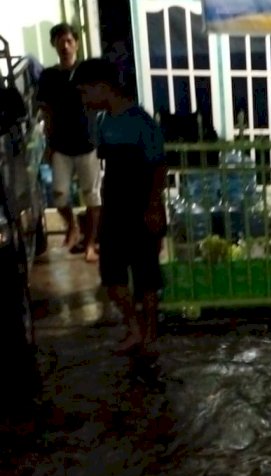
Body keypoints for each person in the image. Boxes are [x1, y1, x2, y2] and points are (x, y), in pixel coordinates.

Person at [72, 58, 167, 354]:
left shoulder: (141, 121)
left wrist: (154, 207)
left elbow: (158, 167)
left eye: (86, 92)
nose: (84, 99)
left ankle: (149, 332)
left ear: (103, 87)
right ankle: (135, 328)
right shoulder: (103, 122)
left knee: (146, 278)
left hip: (140, 207)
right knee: (112, 276)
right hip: (114, 208)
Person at [36, 23, 100, 262]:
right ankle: (72, 227)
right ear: (54, 45)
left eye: (69, 41)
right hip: (61, 145)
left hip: (88, 143)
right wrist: (48, 144)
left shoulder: (88, 71)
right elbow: (46, 112)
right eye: (60, 41)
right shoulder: (48, 76)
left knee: (92, 197)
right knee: (59, 195)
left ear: (77, 43)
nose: (65, 46)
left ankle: (90, 244)